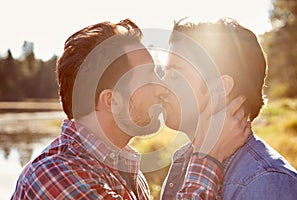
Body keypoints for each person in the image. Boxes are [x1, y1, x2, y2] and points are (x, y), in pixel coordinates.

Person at [11, 19, 248, 200]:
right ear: (111, 100)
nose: (161, 85)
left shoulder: (120, 166)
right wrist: (208, 157)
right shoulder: (55, 176)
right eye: (148, 76)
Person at [161, 18, 297, 199]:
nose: (161, 85)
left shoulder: (267, 182)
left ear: (220, 89)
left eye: (175, 74)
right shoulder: (183, 163)